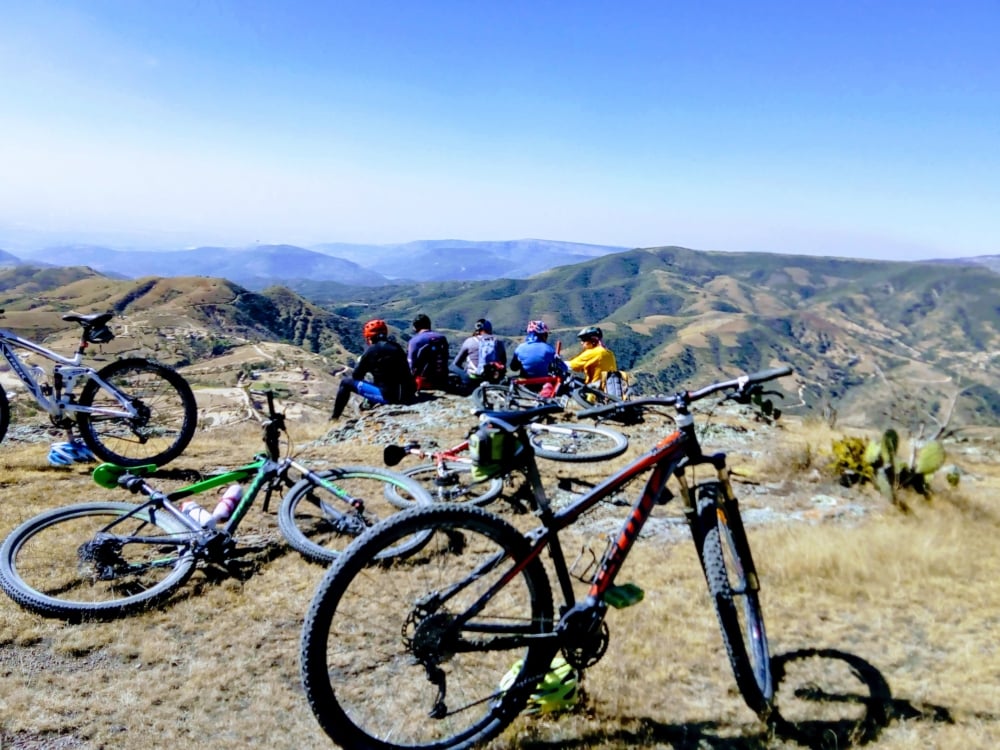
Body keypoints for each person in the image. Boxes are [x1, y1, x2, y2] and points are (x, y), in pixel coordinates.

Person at [331, 319, 415, 419]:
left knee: (345, 383)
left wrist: (365, 364)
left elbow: (356, 376)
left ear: (369, 337)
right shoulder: (396, 347)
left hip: (390, 397)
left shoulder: (371, 351)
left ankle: (334, 418)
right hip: (407, 393)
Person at [450, 318, 507, 394]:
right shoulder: (498, 342)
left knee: (451, 367)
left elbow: (456, 363)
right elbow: (504, 362)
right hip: (493, 379)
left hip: (472, 379)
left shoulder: (470, 341)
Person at [407, 313, 450, 391]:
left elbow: (411, 364)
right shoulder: (442, 338)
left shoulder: (414, 341)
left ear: (415, 327)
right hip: (443, 379)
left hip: (423, 382)